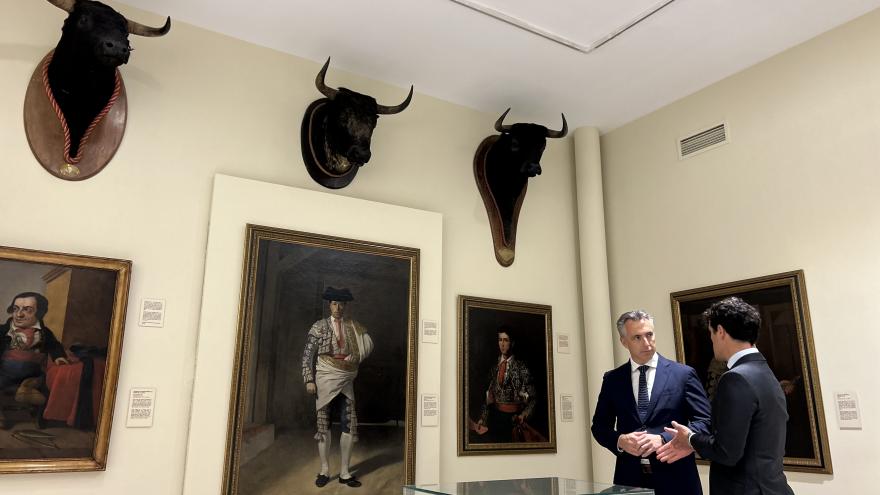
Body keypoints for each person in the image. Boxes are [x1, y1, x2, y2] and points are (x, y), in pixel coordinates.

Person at [657, 297, 794, 495]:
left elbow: (727, 453)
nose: (711, 340)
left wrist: (690, 438)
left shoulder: (735, 378)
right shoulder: (764, 371)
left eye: (711, 333)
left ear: (720, 331)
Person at [591, 310, 711, 495]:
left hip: (677, 479)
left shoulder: (683, 375)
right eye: (637, 337)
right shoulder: (612, 379)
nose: (646, 343)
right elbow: (599, 427)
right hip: (629, 480)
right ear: (624, 341)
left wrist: (664, 439)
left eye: (649, 335)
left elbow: (705, 421)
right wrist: (620, 441)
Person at [301, 287, 373, 488]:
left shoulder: (353, 326)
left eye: (341, 304)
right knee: (323, 425)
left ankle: (345, 472)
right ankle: (324, 470)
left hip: (346, 378)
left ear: (346, 306)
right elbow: (307, 355)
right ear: (329, 305)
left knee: (348, 423)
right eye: (334, 303)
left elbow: (366, 345)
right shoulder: (319, 326)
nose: (338, 308)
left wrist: (356, 356)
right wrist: (309, 379)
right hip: (324, 377)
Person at [0, 292, 69, 428]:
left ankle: (26, 391)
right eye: (16, 309)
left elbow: (54, 345)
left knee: (42, 383)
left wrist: (59, 357)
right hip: (4, 372)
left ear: (40, 313)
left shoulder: (44, 332)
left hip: (33, 373)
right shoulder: (3, 330)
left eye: (27, 310)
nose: (19, 315)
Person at [474, 327, 537, 443]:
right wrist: (483, 418)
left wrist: (523, 416)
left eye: (506, 340)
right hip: (495, 419)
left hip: (514, 421)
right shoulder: (494, 367)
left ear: (512, 343)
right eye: (500, 340)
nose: (502, 344)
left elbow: (533, 399)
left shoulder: (521, 367)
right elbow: (488, 397)